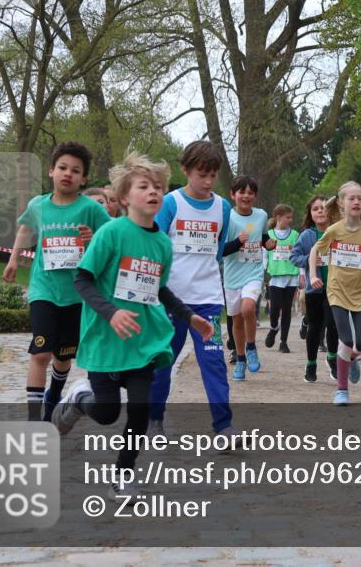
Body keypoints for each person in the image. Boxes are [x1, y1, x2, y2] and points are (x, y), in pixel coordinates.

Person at [52, 153, 213, 501]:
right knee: (108, 414)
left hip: (143, 341)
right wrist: (110, 313)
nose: (153, 192)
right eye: (144, 187)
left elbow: (160, 289)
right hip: (108, 340)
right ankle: (81, 399)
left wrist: (189, 316)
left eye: (158, 187)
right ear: (125, 197)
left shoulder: (162, 244)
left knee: (139, 411)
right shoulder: (111, 233)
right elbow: (83, 280)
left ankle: (122, 478)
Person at [3, 142, 110, 421]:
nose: (68, 174)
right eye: (62, 167)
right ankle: (33, 420)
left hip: (77, 294)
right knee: (41, 352)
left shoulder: (91, 209)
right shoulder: (38, 205)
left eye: (76, 170)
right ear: (51, 171)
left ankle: (53, 397)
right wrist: (14, 258)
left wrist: (93, 240)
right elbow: (25, 226)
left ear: (83, 178)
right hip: (44, 290)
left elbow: (112, 239)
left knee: (64, 356)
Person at [148, 141, 233, 439]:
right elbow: (155, 244)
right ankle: (154, 419)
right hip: (171, 299)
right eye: (201, 174)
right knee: (162, 364)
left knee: (214, 363)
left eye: (213, 175)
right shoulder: (170, 203)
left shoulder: (223, 207)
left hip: (208, 299)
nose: (208, 181)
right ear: (185, 170)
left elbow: (218, 250)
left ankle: (224, 426)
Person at [309, 182, 361, 405]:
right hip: (337, 291)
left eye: (360, 198)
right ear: (341, 203)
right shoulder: (334, 230)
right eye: (351, 198)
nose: (357, 202)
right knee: (347, 338)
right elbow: (316, 250)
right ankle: (341, 390)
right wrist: (314, 275)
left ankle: (351, 360)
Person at [220, 175, 276, 380]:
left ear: (255, 196)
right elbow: (220, 251)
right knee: (236, 320)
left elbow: (262, 237)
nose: (246, 196)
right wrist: (236, 242)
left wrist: (269, 243)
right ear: (233, 195)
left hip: (253, 272)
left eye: (250, 192)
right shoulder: (227, 217)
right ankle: (241, 359)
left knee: (248, 308)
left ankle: (251, 346)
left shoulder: (261, 215)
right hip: (232, 275)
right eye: (241, 192)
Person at [291, 196, 339, 382]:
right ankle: (311, 364)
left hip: (335, 287)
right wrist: (309, 261)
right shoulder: (306, 236)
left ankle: (332, 358)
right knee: (314, 327)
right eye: (315, 209)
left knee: (333, 324)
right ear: (310, 214)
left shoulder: (338, 231)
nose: (320, 211)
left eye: (323, 208)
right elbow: (294, 257)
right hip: (314, 289)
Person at [264, 204, 302, 354]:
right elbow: (264, 255)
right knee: (274, 309)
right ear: (279, 217)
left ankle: (283, 342)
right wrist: (265, 274)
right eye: (288, 217)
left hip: (291, 276)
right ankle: (273, 328)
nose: (290, 220)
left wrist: (301, 275)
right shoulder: (269, 234)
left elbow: (299, 255)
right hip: (275, 277)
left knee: (286, 309)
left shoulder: (295, 235)